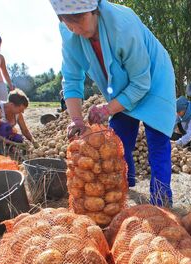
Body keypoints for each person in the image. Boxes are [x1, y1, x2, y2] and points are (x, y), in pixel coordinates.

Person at [51, 0, 176, 207]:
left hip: (153, 81)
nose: (77, 29)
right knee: (116, 140)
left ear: (94, 10)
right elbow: (72, 79)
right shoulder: (69, 34)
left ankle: (161, 202)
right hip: (122, 88)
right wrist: (76, 119)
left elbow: (140, 83)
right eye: (69, 24)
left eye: (80, 20)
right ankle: (122, 188)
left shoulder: (123, 25)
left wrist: (107, 109)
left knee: (157, 143)